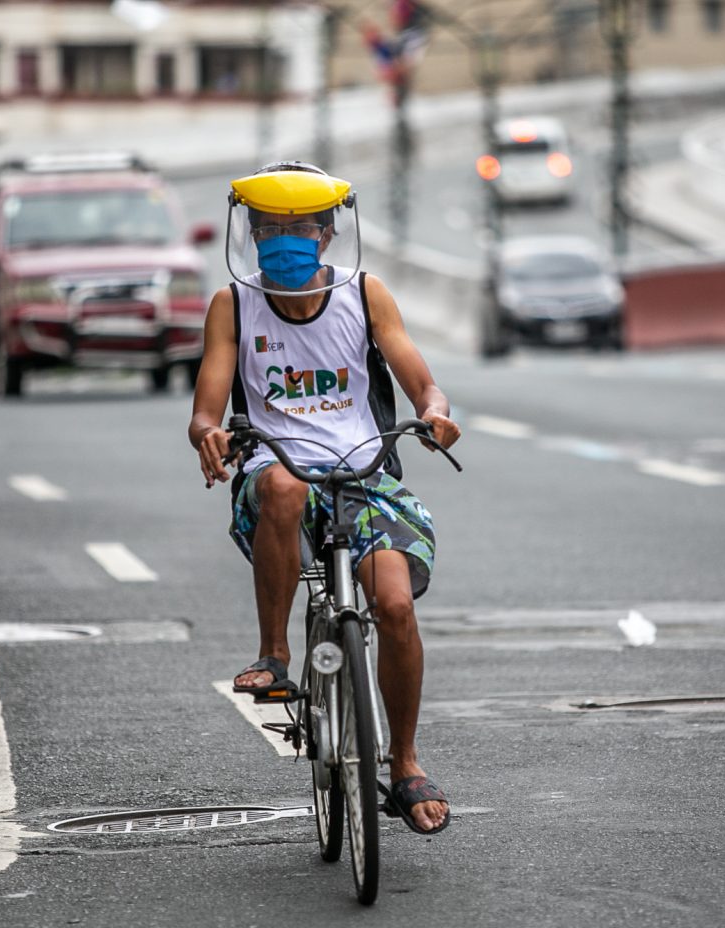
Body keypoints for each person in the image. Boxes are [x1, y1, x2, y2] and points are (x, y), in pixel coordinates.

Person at [188, 162, 461, 835]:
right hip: (274, 469)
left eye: (298, 228)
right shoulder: (233, 304)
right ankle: (274, 655)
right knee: (282, 484)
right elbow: (206, 409)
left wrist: (435, 413)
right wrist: (211, 437)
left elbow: (424, 384)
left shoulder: (366, 296)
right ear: (249, 234)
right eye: (269, 228)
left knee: (394, 607)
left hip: (363, 473)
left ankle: (404, 763)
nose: (283, 239)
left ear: (327, 232)